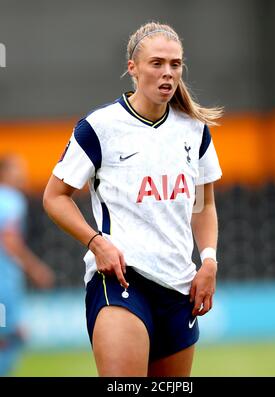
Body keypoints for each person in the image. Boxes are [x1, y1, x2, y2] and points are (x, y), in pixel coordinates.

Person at [43, 21, 223, 377]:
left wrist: (209, 260)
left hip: (179, 287)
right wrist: (97, 243)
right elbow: (55, 197)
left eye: (175, 64)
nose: (168, 73)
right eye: (156, 63)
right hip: (121, 280)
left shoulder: (195, 129)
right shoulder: (99, 127)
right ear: (133, 68)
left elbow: (204, 205)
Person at [0, 155, 55, 376]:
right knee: (10, 336)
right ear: (4, 173)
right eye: (17, 169)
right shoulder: (11, 199)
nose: (22, 174)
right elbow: (10, 240)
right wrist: (36, 269)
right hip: (4, 285)